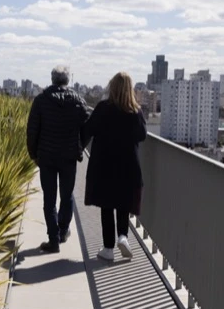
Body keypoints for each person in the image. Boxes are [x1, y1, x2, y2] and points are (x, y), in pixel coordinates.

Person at [82, 71, 147, 262]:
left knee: (107, 206)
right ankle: (123, 237)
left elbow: (89, 129)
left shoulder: (103, 108)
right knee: (123, 204)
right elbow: (142, 135)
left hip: (104, 165)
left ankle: (108, 248)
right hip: (128, 166)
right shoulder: (135, 111)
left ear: (112, 87)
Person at [27, 66, 90, 254]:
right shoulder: (78, 101)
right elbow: (88, 125)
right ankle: (63, 231)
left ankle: (53, 240)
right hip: (69, 156)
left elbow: (32, 130)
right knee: (67, 194)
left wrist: (33, 154)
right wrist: (80, 146)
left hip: (46, 156)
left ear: (52, 79)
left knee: (49, 198)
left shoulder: (41, 100)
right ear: (67, 80)